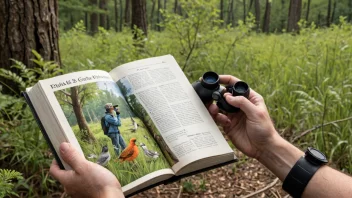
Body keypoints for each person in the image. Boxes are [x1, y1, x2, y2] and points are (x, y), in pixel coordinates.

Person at [50, 75, 352, 198]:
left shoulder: (112, 116)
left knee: (120, 150)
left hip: (118, 140)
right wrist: (269, 145)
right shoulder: (107, 116)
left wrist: (105, 194)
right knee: (118, 149)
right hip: (116, 137)